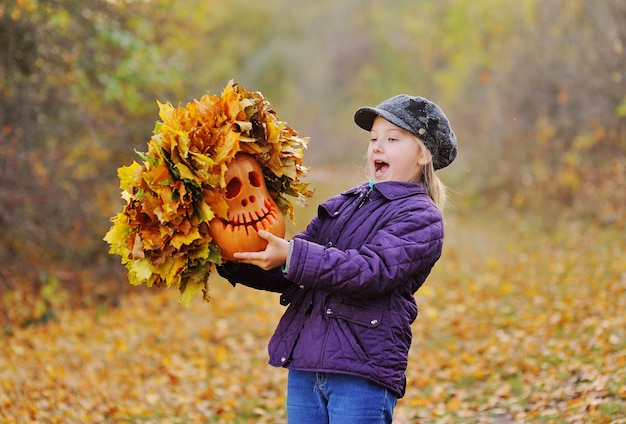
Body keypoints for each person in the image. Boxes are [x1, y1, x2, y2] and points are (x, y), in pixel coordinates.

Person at [217, 94, 457, 423]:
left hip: (360, 371)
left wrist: (293, 255)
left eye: (392, 139)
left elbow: (371, 271)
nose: (377, 147)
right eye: (373, 138)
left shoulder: (421, 216)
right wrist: (228, 257)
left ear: (423, 155)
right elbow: (291, 268)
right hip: (306, 363)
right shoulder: (345, 204)